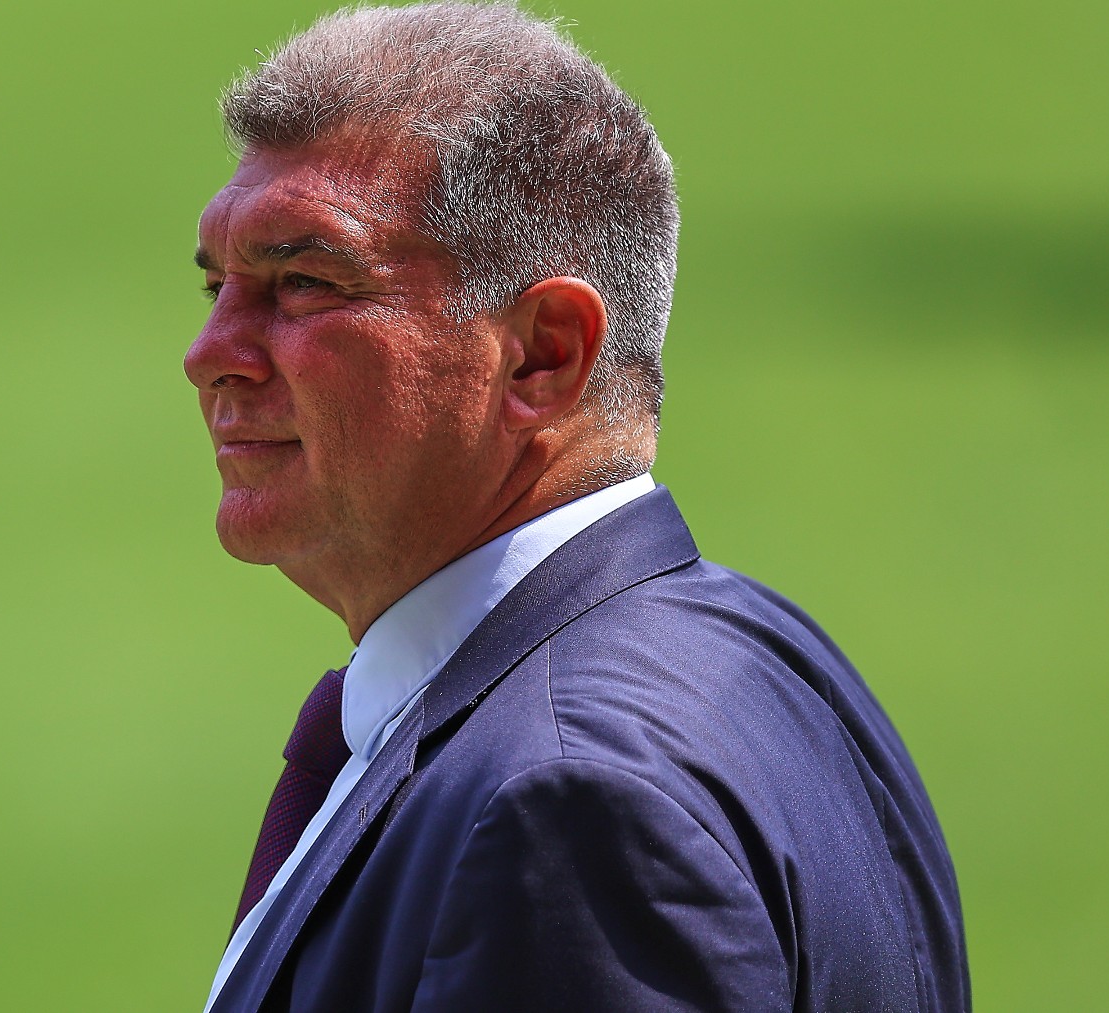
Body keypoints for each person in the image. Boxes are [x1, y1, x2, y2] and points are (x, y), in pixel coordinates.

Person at [181, 4, 968, 1011]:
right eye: (216, 285)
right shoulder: (770, 657)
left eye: (300, 282)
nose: (212, 353)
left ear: (544, 352)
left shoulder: (571, 805)